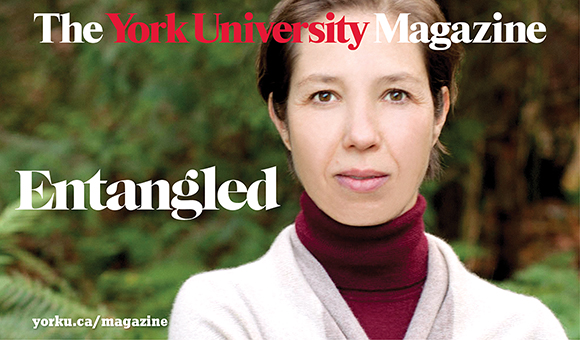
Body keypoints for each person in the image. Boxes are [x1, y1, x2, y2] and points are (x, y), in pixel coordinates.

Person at [169, 0, 568, 339]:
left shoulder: (521, 329)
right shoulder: (226, 317)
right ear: (281, 118)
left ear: (439, 112)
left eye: (395, 94)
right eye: (324, 96)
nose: (361, 135)